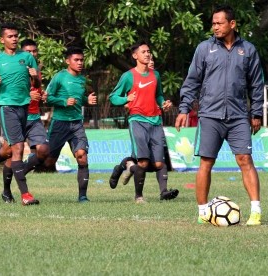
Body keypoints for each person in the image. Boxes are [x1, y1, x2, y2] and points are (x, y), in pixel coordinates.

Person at [175, 5, 263, 225]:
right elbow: (192, 80)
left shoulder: (248, 50)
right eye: (213, 23)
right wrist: (184, 108)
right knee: (206, 162)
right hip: (209, 116)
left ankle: (256, 211)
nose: (214, 27)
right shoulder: (204, 49)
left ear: (232, 24)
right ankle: (203, 212)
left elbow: (256, 84)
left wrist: (257, 113)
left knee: (245, 160)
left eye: (219, 23)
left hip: (239, 116)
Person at [0, 23, 41, 206]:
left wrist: (35, 76)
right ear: (2, 39)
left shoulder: (26, 57)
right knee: (18, 148)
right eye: (10, 36)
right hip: (6, 106)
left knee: (9, 150)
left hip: (24, 106)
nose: (14, 39)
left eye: (16, 36)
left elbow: (38, 81)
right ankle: (25, 195)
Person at [109, 41, 179, 203]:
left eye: (149, 51)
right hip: (137, 120)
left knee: (159, 163)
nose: (147, 54)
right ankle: (138, 196)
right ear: (135, 56)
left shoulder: (156, 75)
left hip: (156, 121)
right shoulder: (128, 76)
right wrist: (126, 98)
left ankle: (163, 193)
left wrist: (163, 103)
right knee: (143, 161)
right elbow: (113, 97)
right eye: (143, 52)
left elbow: (159, 95)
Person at [43, 46, 97, 203]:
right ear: (68, 61)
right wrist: (63, 102)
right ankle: (22, 170)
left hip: (76, 124)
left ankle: (83, 196)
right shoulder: (59, 77)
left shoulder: (82, 79)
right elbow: (47, 98)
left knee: (82, 156)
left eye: (82, 60)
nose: (80, 63)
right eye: (76, 60)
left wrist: (87, 100)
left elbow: (78, 98)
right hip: (59, 123)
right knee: (47, 161)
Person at [0, 39, 49, 203]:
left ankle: (20, 173)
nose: (31, 54)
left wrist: (42, 95)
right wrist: (29, 95)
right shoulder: (14, 67)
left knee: (43, 150)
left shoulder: (36, 70)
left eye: (34, 51)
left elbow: (37, 88)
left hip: (34, 118)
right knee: (11, 153)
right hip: (15, 114)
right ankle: (7, 190)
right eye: (28, 52)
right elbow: (13, 91)